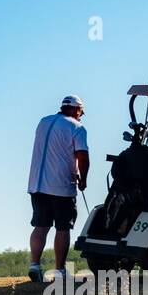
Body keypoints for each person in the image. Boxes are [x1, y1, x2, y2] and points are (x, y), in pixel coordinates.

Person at [26, 95, 89, 283]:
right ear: (77, 110)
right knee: (63, 227)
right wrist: (83, 179)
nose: (81, 116)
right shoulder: (77, 128)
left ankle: (34, 265)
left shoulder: (43, 122)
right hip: (61, 186)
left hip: (37, 184)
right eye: (81, 112)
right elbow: (82, 156)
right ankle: (60, 270)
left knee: (41, 226)